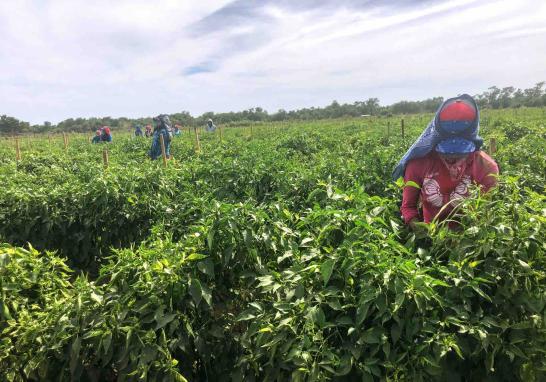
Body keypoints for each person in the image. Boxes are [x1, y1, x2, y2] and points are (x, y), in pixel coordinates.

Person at [392, 94, 499, 230]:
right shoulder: (418, 164)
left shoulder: (486, 167)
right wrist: (421, 230)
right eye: (446, 155)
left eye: (460, 155)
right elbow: (408, 207)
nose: (453, 161)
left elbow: (487, 212)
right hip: (430, 233)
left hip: (470, 238)